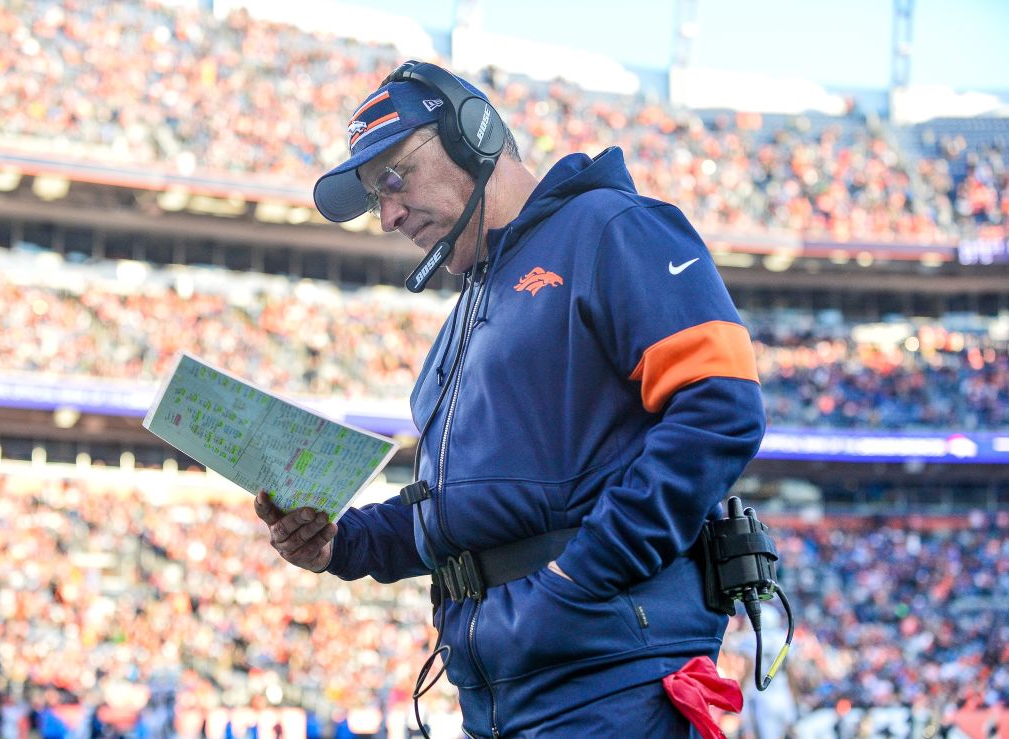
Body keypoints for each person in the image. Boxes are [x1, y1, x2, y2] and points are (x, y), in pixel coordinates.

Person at [255, 61, 766, 737]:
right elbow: (460, 512)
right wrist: (340, 544)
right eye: (378, 195)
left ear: (474, 136)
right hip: (501, 696)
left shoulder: (612, 228)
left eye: (395, 177)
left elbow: (720, 408)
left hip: (610, 684)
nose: (387, 216)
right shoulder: (466, 313)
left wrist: (574, 583)